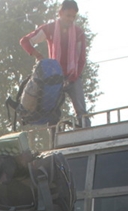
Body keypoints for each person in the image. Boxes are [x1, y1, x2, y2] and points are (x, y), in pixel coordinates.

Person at [20, 0, 91, 128]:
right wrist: (38, 55)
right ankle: (54, 142)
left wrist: (74, 76)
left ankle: (87, 137)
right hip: (54, 78)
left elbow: (81, 59)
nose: (70, 19)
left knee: (81, 111)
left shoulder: (79, 32)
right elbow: (25, 41)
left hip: (73, 76)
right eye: (68, 15)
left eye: (73, 17)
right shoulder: (49, 28)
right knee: (52, 114)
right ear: (60, 13)